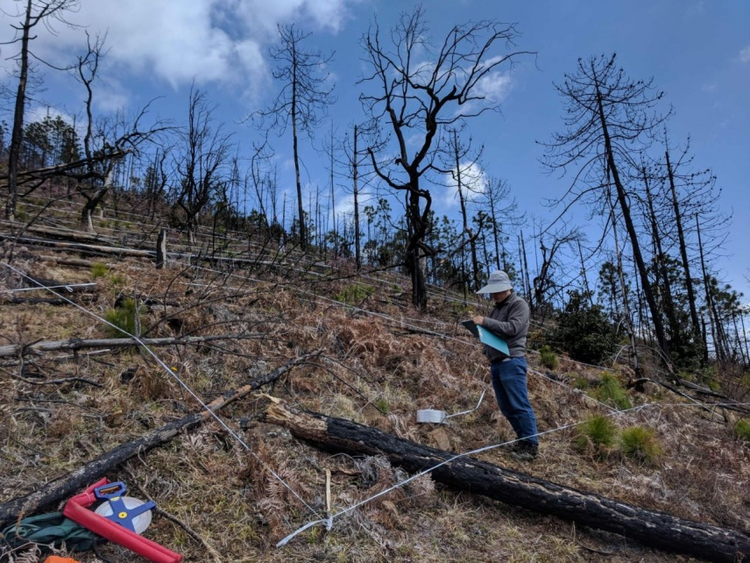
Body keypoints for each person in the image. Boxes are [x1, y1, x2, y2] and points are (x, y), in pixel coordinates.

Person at [472, 270, 539, 461]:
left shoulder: (519, 305)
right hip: (497, 363)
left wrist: (485, 321)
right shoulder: (496, 309)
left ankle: (531, 445)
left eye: (496, 291)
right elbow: (494, 333)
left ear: (505, 288)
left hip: (512, 361)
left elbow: (512, 329)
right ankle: (522, 439)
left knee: (519, 404)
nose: (493, 295)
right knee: (506, 406)